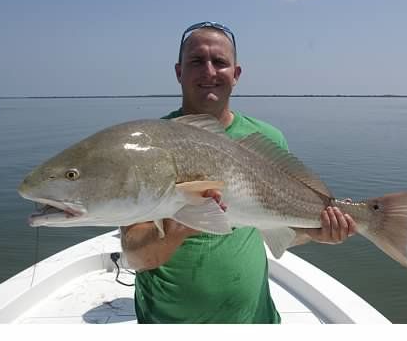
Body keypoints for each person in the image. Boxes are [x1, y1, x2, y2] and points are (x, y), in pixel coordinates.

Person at [120, 21, 357, 324]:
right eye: (196, 61)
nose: (209, 71)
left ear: (236, 74)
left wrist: (319, 231)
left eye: (219, 62)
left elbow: (276, 226)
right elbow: (135, 256)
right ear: (179, 72)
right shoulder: (151, 143)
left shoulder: (267, 138)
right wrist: (184, 224)